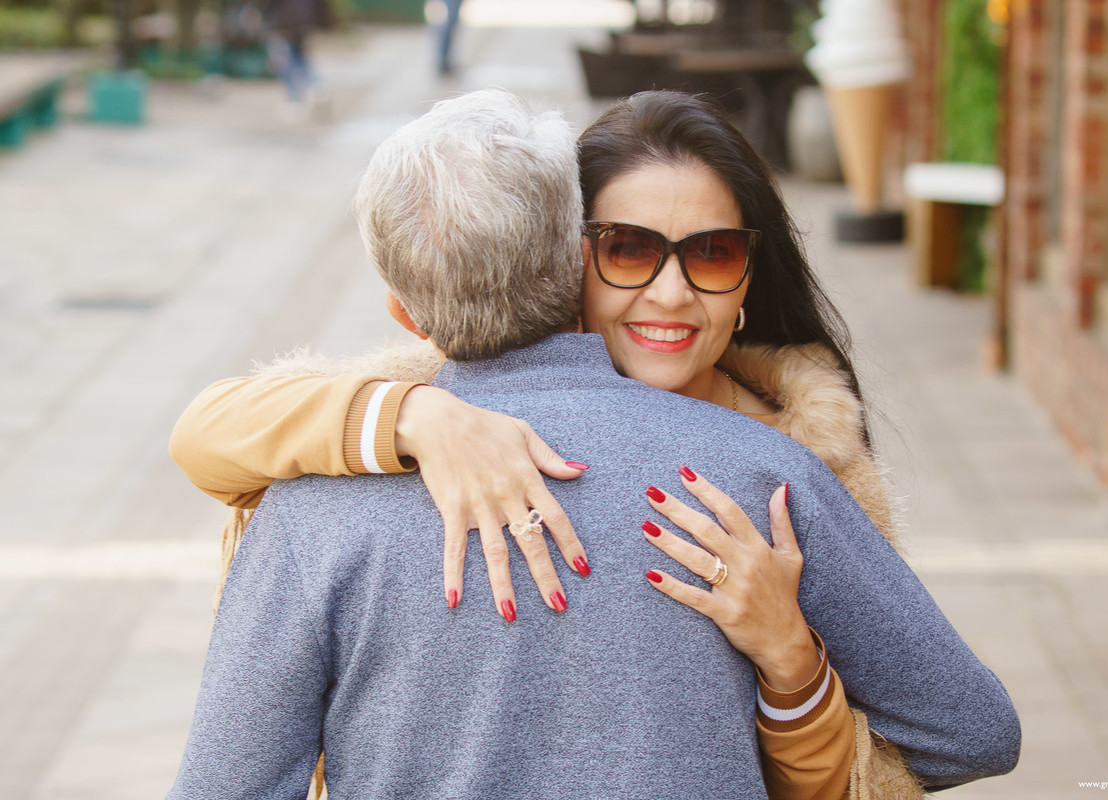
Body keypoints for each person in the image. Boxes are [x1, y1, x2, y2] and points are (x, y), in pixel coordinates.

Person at [170, 91, 1021, 795]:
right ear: (569, 256)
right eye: (629, 249)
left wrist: (795, 668)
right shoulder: (763, 476)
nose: (670, 294)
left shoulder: (311, 515)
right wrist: (415, 419)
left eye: (714, 254)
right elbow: (210, 429)